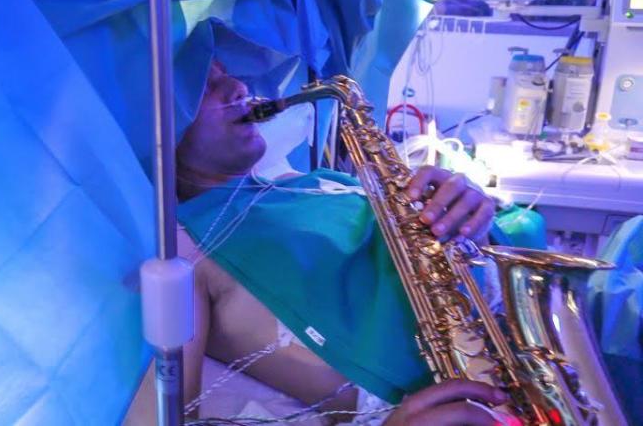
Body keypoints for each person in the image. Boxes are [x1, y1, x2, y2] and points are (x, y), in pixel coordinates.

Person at [127, 62, 512, 426]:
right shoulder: (183, 250)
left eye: (227, 73)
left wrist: (466, 216)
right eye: (204, 85)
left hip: (511, 347)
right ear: (157, 129)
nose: (238, 88)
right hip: (451, 397)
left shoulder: (320, 181)